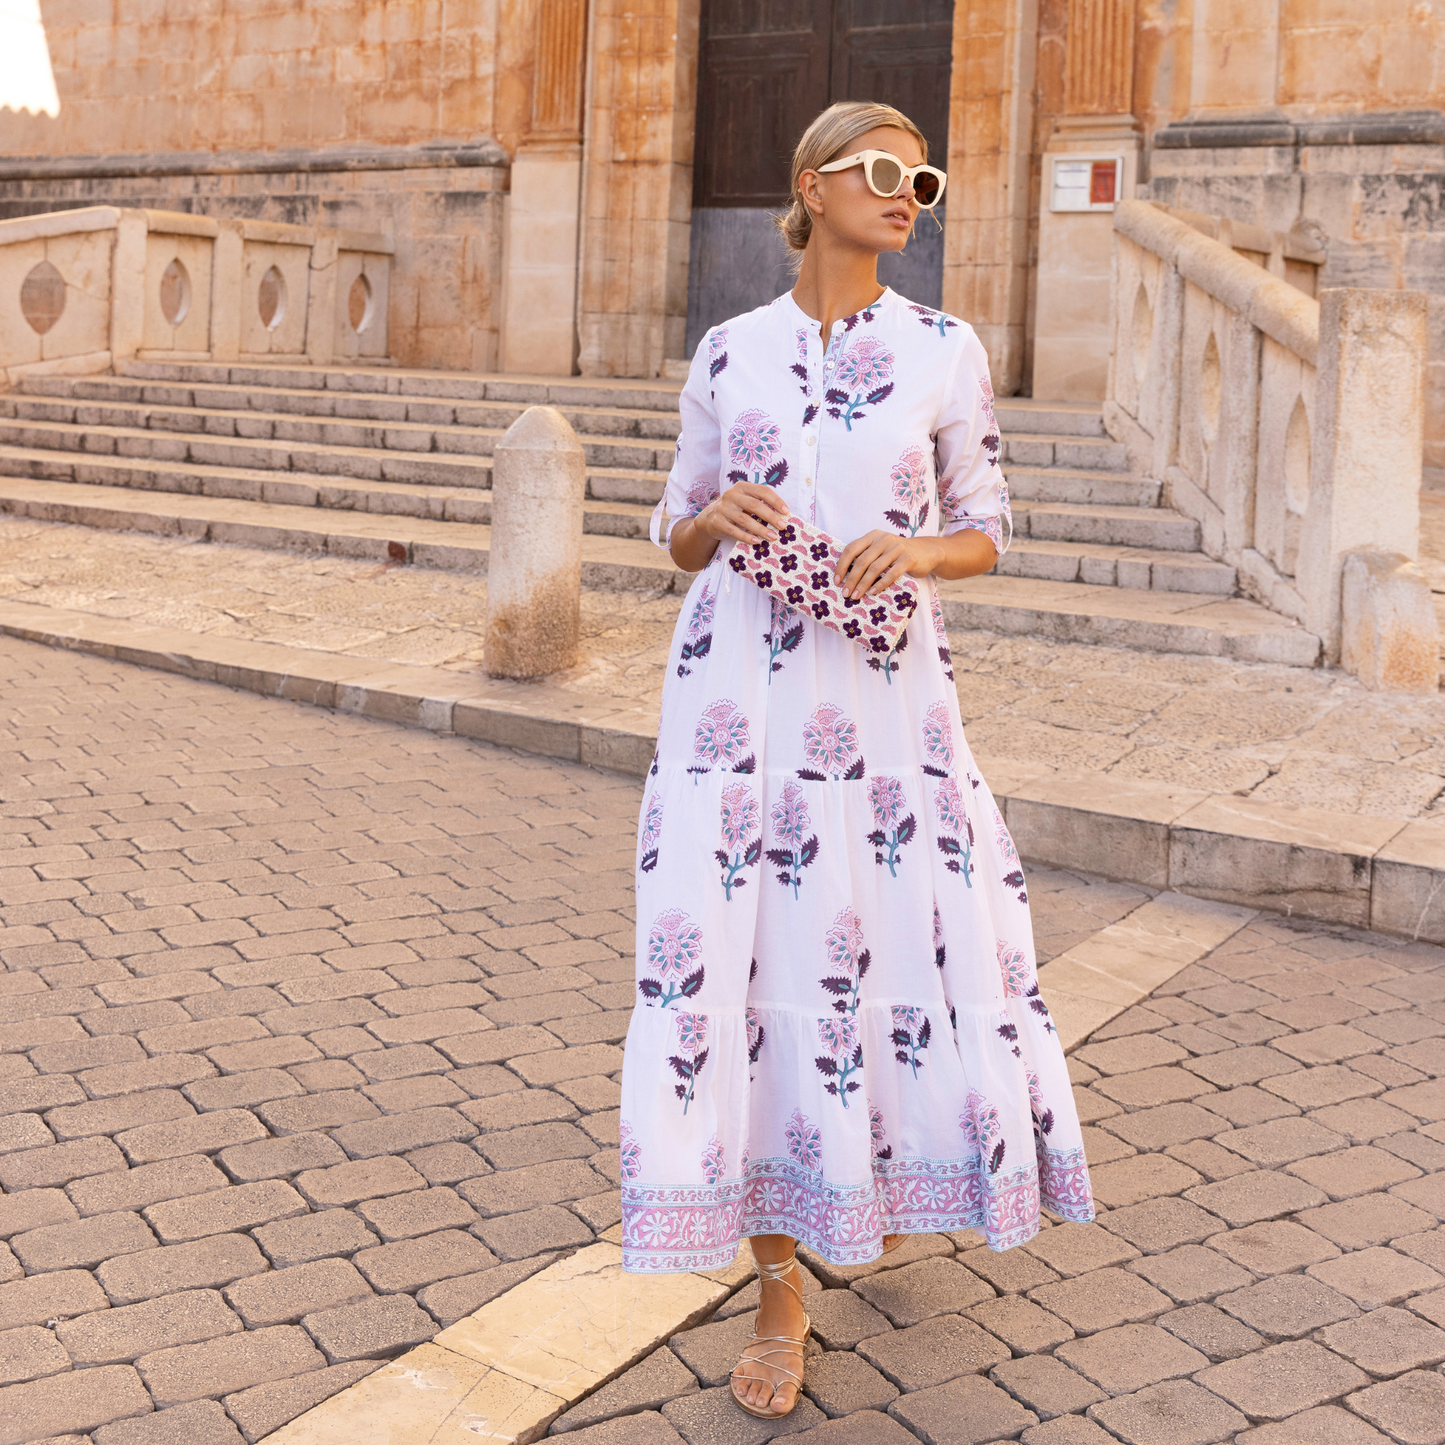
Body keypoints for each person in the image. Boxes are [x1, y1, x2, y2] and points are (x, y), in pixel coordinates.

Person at [618, 100, 1094, 1420]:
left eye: (922, 179)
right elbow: (672, 526)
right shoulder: (730, 349)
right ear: (810, 185)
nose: (907, 194)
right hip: (734, 707)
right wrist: (712, 514)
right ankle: (778, 1287)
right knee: (739, 945)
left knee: (885, 937)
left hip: (887, 703)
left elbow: (988, 526)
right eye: (883, 172)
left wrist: (920, 550)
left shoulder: (944, 349)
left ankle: (867, 1176)